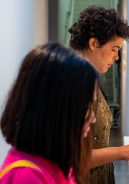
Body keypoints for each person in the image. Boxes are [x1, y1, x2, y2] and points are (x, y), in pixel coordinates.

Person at [68, 6, 129, 184]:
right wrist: (121, 152)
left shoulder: (89, 79)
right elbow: (72, 155)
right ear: (93, 44)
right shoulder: (71, 84)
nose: (116, 57)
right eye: (114, 49)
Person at [0, 42, 99, 184]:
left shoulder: (55, 161)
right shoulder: (26, 177)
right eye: (86, 107)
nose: (93, 118)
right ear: (56, 109)